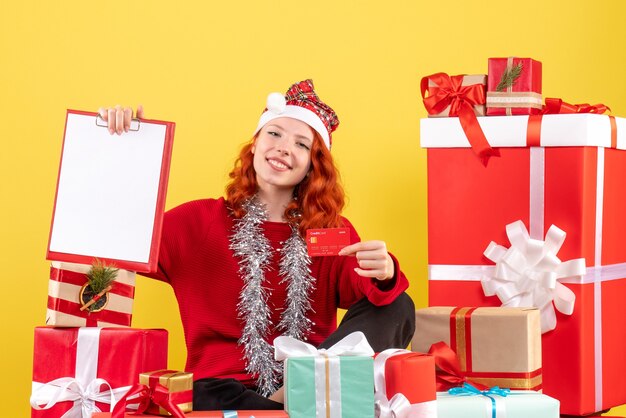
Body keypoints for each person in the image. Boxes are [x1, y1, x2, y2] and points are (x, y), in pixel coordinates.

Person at [100, 79, 415, 410]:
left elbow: (375, 298)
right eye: (274, 133)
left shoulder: (330, 231)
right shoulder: (199, 221)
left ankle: (293, 392)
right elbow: (116, 238)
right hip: (224, 390)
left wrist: (385, 272)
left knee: (399, 304)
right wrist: (119, 151)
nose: (283, 147)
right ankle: (288, 404)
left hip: (310, 382)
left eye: (302, 144)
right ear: (254, 145)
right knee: (205, 394)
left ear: (313, 166)